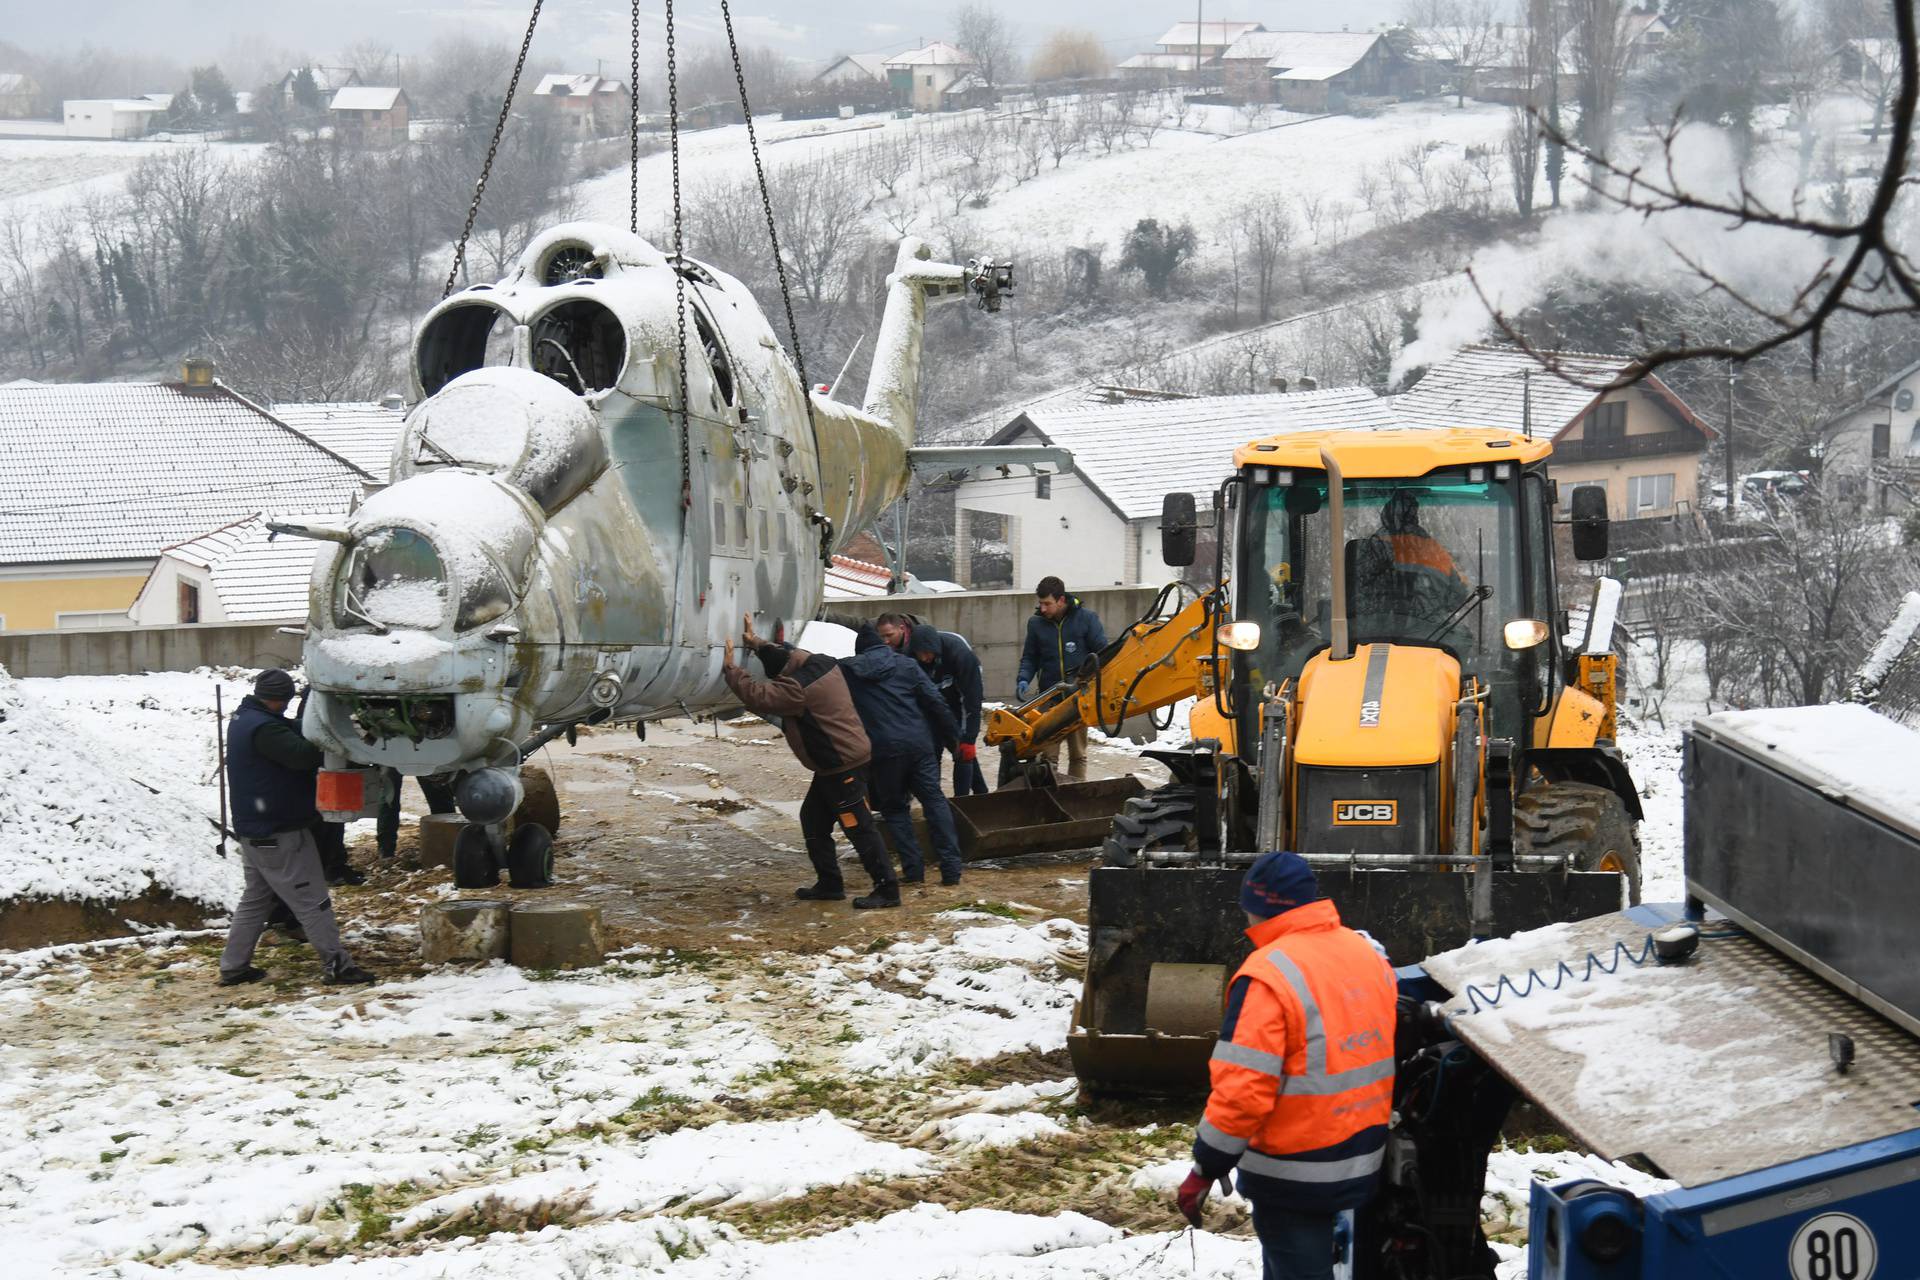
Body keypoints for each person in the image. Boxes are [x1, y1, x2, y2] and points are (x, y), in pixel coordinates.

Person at [1176, 852, 1397, 1280]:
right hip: (1361, 1157)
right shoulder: (1363, 952)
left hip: (1294, 1170)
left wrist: (1206, 1167)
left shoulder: (1268, 975)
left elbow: (1242, 1092)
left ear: (1261, 906)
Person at [723, 619, 901, 909]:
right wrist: (757, 643)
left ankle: (887, 889)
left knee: (858, 827)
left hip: (841, 765)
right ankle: (830, 884)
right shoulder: (822, 663)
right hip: (838, 763)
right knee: (813, 820)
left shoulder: (797, 691)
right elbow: (787, 654)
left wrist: (731, 669)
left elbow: (759, 696)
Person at [218, 669, 376, 987]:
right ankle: (337, 965)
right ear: (281, 699)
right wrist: (339, 741)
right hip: (279, 831)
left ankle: (233, 967)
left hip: (256, 830)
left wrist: (316, 727)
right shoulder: (264, 728)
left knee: (255, 900)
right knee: (312, 899)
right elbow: (304, 756)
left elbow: (289, 729)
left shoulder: (247, 718)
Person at [839, 632, 966, 887]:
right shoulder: (907, 665)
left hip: (883, 751)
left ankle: (914, 871)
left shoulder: (848, 671)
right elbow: (936, 702)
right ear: (883, 646)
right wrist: (955, 739)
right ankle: (952, 869)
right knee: (935, 802)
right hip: (920, 746)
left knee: (896, 810)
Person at [1016, 577, 1107, 781]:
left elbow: (1103, 654)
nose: (1043, 608)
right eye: (1040, 603)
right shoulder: (1036, 624)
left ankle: (1076, 795)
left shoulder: (1086, 619)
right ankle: (1050, 797)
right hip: (1050, 698)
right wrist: (1023, 678)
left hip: (1078, 699)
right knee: (1047, 756)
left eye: (1047, 603)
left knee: (1078, 755)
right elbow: (1030, 657)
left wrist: (1091, 684)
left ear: (1061, 600)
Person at [904, 622, 988, 798]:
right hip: (931, 706)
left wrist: (969, 738)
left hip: (958, 700)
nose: (926, 658)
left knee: (962, 751)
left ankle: (966, 798)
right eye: (921, 654)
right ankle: (936, 800)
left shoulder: (961, 656)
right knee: (932, 752)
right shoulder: (908, 658)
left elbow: (972, 701)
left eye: (929, 654)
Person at [376, 768, 458, 859]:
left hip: (391, 756)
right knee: (439, 796)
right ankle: (447, 849)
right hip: (425, 758)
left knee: (389, 796)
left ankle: (385, 852)